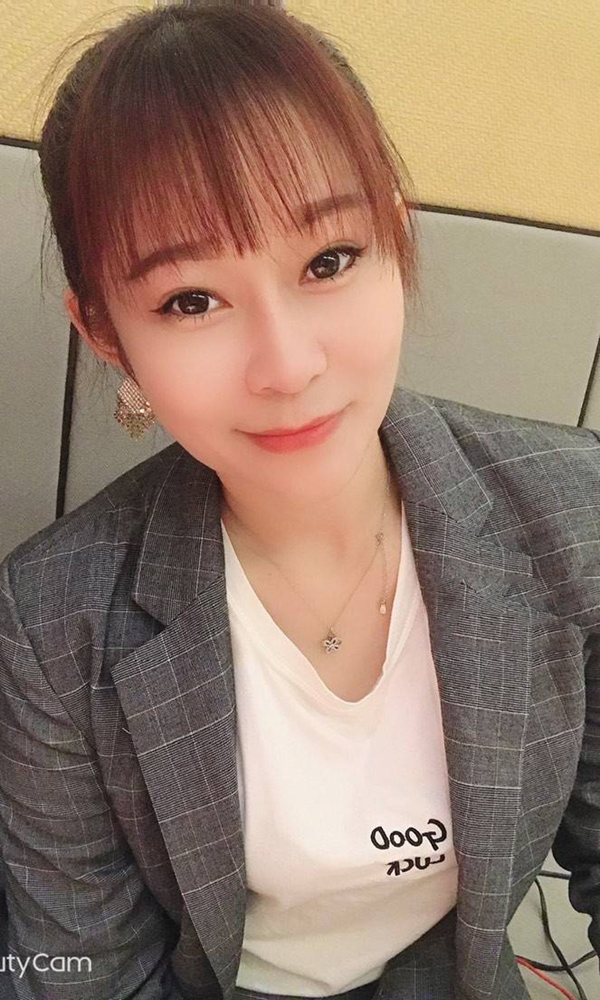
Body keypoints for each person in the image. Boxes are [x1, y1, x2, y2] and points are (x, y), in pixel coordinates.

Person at [0, 2, 599, 998]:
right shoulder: (54, 622)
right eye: (191, 300)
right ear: (105, 333)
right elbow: (76, 971)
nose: (287, 366)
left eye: (328, 261)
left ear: (394, 240)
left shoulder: (575, 512)